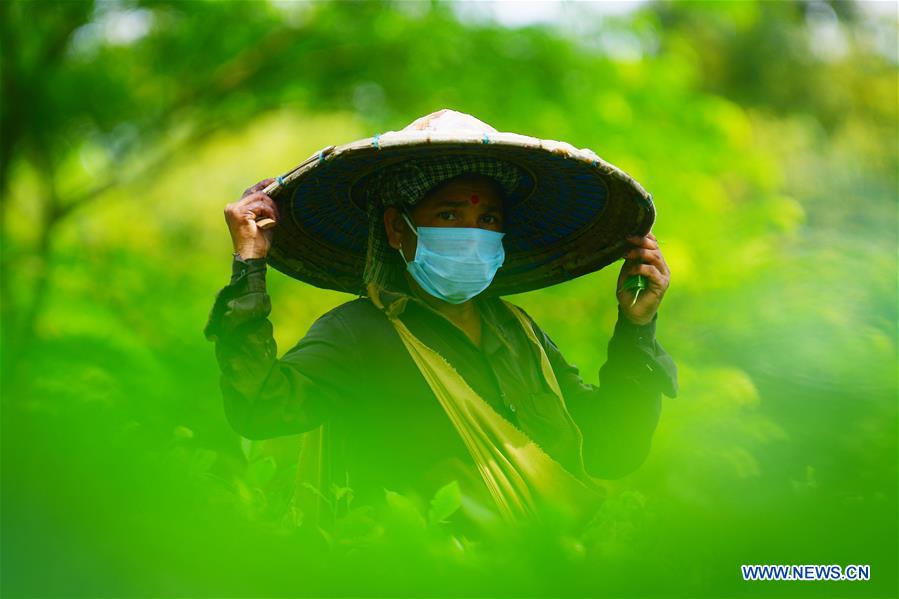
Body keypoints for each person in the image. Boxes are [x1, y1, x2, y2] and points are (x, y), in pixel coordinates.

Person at [204, 109, 678, 533]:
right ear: (397, 228)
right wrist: (249, 265)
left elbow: (612, 450)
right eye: (449, 214)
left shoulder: (519, 333)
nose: (473, 235)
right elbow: (260, 408)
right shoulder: (356, 333)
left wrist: (636, 328)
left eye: (488, 219)